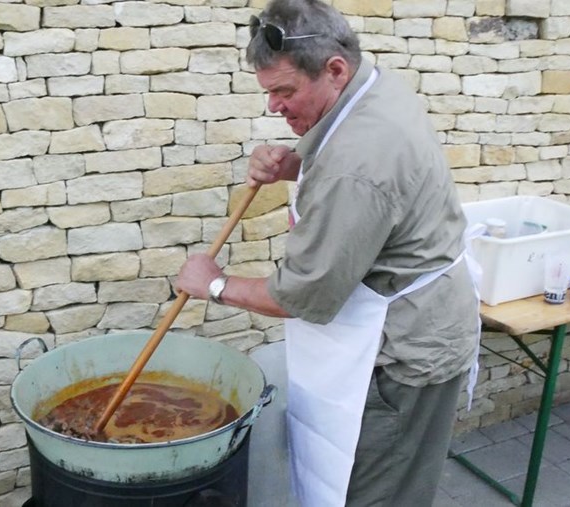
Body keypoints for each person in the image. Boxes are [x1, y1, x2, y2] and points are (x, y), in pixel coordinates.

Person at [175, 0, 481, 505]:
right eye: (269, 92)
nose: (273, 107)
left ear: (334, 69)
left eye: (284, 91)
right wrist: (295, 165)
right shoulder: (371, 87)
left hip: (404, 353)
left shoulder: (356, 163)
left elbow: (299, 294)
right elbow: (361, 174)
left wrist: (213, 283)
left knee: (380, 492)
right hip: (413, 321)